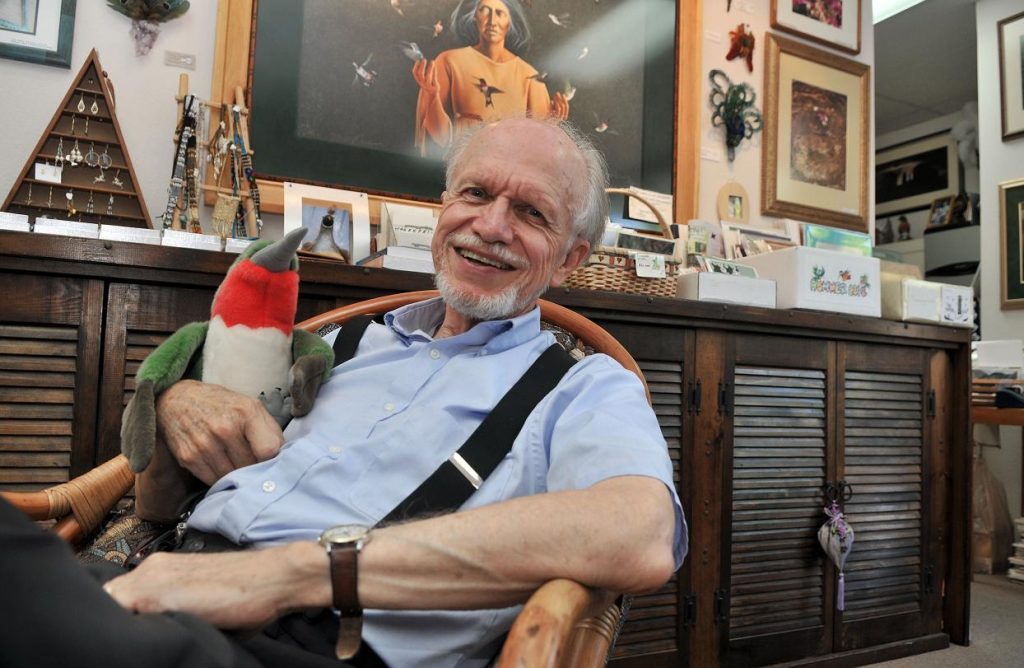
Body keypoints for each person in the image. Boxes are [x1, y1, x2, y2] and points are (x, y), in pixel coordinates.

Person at [1, 117, 686, 668]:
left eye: (531, 212)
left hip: (300, 644)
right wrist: (179, 404)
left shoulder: (584, 388)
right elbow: (158, 502)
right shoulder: (339, 345)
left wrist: (289, 574)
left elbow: (642, 535)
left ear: (570, 257)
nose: (493, 225)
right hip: (143, 585)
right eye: (475, 194)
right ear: (445, 207)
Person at [412, 0, 569, 155]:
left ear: (510, 21)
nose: (492, 21)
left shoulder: (530, 77)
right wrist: (431, 96)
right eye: (485, 11)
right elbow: (441, 139)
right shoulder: (449, 61)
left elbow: (534, 152)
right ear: (475, 16)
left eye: (500, 13)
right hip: (463, 168)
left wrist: (551, 127)